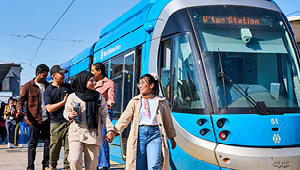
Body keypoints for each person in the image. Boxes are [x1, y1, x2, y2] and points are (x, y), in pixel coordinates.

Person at [114, 73, 177, 170]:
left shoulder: (161, 101)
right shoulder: (135, 101)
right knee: (139, 165)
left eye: (143, 83)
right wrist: (115, 130)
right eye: (139, 84)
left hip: (156, 134)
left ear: (151, 85)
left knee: (154, 165)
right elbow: (125, 117)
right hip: (139, 134)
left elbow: (167, 120)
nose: (140, 86)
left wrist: (171, 137)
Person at [63, 71, 115, 170]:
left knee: (91, 164)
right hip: (76, 132)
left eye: (95, 80)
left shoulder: (99, 97)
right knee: (74, 160)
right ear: (83, 81)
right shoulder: (72, 97)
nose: (94, 83)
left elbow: (105, 115)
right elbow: (66, 112)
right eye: (91, 81)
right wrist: (69, 115)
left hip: (93, 133)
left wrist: (110, 130)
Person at [17, 64, 50, 170]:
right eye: (44, 75)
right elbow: (21, 100)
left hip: (46, 119)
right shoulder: (28, 86)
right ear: (38, 74)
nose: (45, 77)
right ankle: (30, 167)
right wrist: (19, 109)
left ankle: (46, 165)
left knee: (48, 143)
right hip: (33, 120)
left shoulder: (47, 85)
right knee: (32, 145)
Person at [44, 65, 73, 170]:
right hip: (56, 123)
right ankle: (53, 165)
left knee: (69, 147)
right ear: (54, 76)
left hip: (69, 122)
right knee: (55, 147)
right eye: (61, 74)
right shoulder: (48, 90)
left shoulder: (68, 87)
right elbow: (49, 108)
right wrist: (63, 102)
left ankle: (67, 167)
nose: (63, 75)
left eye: (63, 73)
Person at [91, 63, 115, 170]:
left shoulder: (109, 83)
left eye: (93, 71)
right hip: (92, 113)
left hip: (105, 113)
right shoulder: (91, 82)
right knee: (93, 140)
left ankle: (104, 166)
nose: (92, 73)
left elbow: (111, 97)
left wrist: (109, 102)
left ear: (99, 71)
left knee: (104, 139)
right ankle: (94, 164)